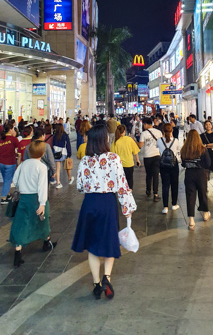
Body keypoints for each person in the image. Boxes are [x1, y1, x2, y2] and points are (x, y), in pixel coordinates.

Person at [72, 124, 137, 300]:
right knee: (110, 241)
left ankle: (96, 284)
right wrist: (127, 208)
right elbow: (122, 185)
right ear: (104, 139)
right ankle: (107, 278)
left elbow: (79, 187)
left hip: (90, 203)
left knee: (92, 245)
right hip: (108, 203)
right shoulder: (113, 158)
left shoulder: (85, 160)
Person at [9, 141, 57, 268]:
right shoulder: (41, 167)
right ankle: (46, 243)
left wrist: (22, 187)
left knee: (22, 224)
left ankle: (17, 254)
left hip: (24, 199)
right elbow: (42, 187)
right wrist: (42, 203)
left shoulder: (23, 164)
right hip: (37, 199)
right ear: (42, 153)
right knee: (43, 221)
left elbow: (14, 181)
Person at [181, 130, 211, 230]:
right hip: (200, 174)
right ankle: (205, 213)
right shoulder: (202, 149)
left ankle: (191, 220)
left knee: (190, 196)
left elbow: (183, 164)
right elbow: (208, 164)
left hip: (189, 174)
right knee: (202, 193)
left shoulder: (184, 149)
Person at [156, 123, 181, 214]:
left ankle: (165, 207)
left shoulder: (159, 141)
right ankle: (174, 204)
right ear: (172, 130)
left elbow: (158, 149)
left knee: (165, 185)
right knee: (175, 184)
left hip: (163, 165)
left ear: (163, 131)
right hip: (174, 165)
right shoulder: (176, 140)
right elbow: (178, 150)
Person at [138, 117, 162, 202]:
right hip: (157, 155)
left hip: (147, 156)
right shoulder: (159, 132)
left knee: (149, 174)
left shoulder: (143, 134)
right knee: (156, 175)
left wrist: (134, 141)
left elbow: (140, 146)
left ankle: (148, 191)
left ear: (145, 124)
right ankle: (156, 194)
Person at [111, 125, 140, 190]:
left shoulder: (115, 142)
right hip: (129, 164)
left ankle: (121, 194)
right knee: (129, 180)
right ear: (124, 131)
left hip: (119, 166)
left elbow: (112, 155)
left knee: (120, 181)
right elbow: (135, 151)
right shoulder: (129, 139)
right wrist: (137, 160)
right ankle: (129, 194)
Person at [0, 123, 18, 205]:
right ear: (10, 130)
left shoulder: (1, 138)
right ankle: (3, 197)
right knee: (8, 180)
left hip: (1, 162)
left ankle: (7, 194)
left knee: (5, 179)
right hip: (10, 162)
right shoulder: (13, 139)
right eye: (13, 129)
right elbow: (18, 150)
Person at [201, 120, 213, 191]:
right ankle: (206, 185)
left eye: (209, 124)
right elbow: (201, 145)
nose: (208, 126)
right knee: (206, 170)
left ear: (212, 126)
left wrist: (206, 145)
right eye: (206, 124)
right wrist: (209, 146)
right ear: (204, 126)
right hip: (205, 154)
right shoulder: (202, 135)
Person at [52, 124, 72, 188]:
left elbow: (53, 144)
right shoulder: (65, 135)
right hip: (64, 153)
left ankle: (58, 182)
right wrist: (69, 153)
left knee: (58, 168)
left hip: (57, 153)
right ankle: (69, 178)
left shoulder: (55, 136)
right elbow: (68, 145)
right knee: (67, 166)